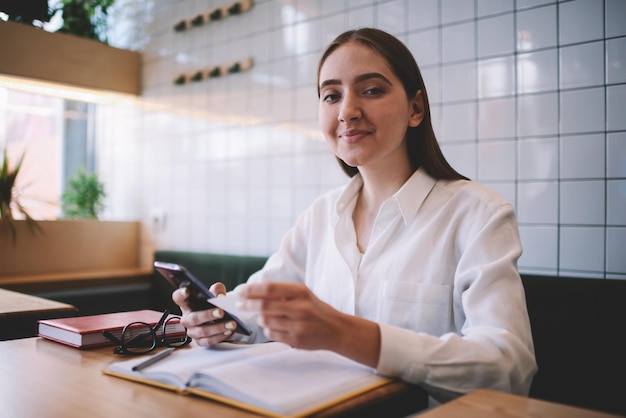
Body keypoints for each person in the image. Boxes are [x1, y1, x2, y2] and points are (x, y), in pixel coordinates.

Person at [173, 27, 537, 406]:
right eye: (332, 95)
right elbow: (258, 317)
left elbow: (507, 370)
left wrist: (348, 334)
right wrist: (221, 322)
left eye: (372, 90)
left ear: (416, 109)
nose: (347, 111)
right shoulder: (318, 217)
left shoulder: (478, 214)